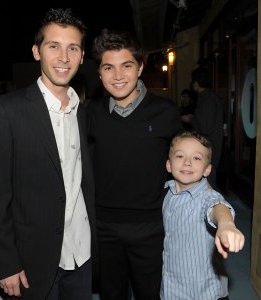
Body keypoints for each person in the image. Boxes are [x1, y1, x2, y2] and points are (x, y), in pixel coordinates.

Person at [0, 8, 96, 300]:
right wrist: (5, 263)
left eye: (73, 48)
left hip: (81, 254)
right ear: (36, 52)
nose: (63, 57)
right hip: (31, 261)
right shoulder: (6, 111)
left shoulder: (81, 111)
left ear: (82, 57)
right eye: (53, 46)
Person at [87, 28, 183, 300]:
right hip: (103, 226)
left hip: (151, 226)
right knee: (111, 294)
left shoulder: (165, 112)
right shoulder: (90, 114)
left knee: (150, 294)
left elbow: (187, 165)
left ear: (140, 67)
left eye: (126, 66)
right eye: (108, 67)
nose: (118, 76)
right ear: (100, 73)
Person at [161, 130, 245, 300]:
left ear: (207, 170)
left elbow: (217, 207)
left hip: (202, 291)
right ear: (168, 165)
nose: (187, 163)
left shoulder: (207, 196)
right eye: (180, 156)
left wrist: (226, 224)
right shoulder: (167, 191)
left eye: (196, 158)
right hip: (171, 285)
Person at [182, 66, 224, 188]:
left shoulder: (207, 99)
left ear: (196, 82)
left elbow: (206, 127)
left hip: (209, 148)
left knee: (209, 187)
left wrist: (190, 119)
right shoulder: (208, 97)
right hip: (209, 148)